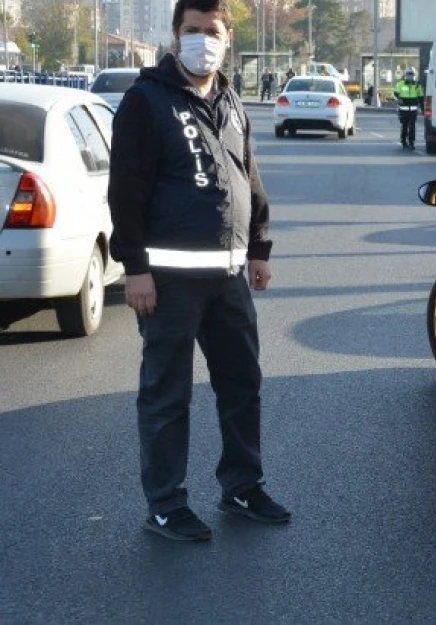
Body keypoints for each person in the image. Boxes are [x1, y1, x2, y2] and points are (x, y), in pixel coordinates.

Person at [107, 0, 290, 542]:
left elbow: (248, 178)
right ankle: (165, 504)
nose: (202, 40)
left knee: (242, 384)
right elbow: (125, 193)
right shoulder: (145, 101)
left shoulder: (231, 101)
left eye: (212, 31)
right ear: (174, 35)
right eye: (192, 30)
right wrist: (134, 268)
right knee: (167, 394)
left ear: (227, 38)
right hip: (166, 282)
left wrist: (259, 248)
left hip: (229, 278)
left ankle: (241, 485)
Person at [394, 67, 423, 149]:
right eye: (408, 74)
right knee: (404, 126)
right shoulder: (400, 84)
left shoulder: (417, 85)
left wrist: (423, 108)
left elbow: (420, 97)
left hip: (413, 110)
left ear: (414, 75)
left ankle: (411, 142)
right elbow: (395, 94)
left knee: (412, 127)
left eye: (412, 74)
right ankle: (403, 141)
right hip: (403, 110)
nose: (410, 76)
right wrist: (399, 100)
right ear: (405, 75)